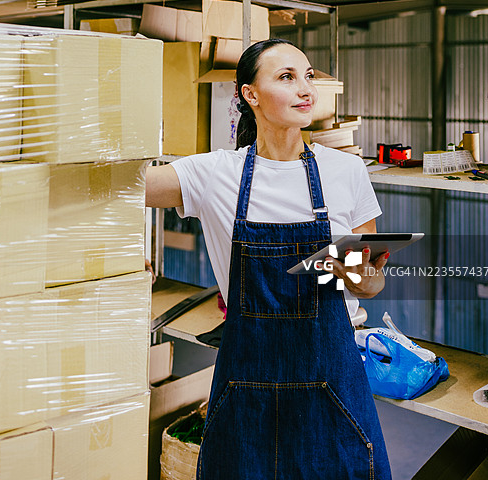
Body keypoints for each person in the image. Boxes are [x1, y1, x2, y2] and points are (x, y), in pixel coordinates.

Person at [146, 38, 392, 479]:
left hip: (331, 380)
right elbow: (122, 188)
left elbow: (373, 283)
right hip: (246, 387)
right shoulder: (213, 173)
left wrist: (354, 273)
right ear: (250, 94)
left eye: (308, 76)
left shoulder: (347, 171)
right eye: (286, 77)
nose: (306, 90)